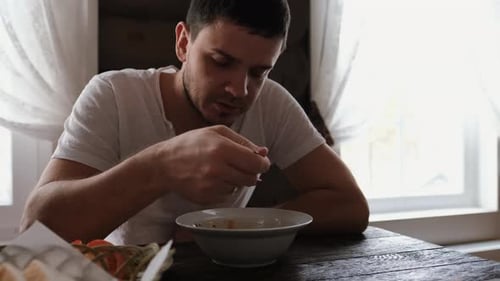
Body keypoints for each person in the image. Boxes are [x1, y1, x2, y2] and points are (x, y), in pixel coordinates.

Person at [20, 0, 369, 245]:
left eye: (259, 71)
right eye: (220, 62)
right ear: (184, 43)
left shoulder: (270, 103)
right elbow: (35, 229)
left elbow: (350, 205)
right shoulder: (113, 94)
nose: (239, 88)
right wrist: (163, 165)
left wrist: (236, 227)